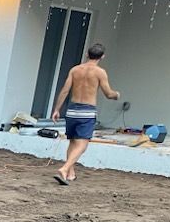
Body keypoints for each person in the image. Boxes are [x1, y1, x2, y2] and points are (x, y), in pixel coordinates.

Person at [51, 43, 121, 185]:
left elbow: (65, 90)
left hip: (72, 110)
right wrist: (116, 95)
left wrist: (57, 109)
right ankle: (64, 169)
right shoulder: (100, 72)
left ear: (87, 55)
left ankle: (70, 174)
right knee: (82, 145)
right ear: (102, 56)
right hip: (87, 111)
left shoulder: (75, 70)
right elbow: (108, 93)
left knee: (72, 141)